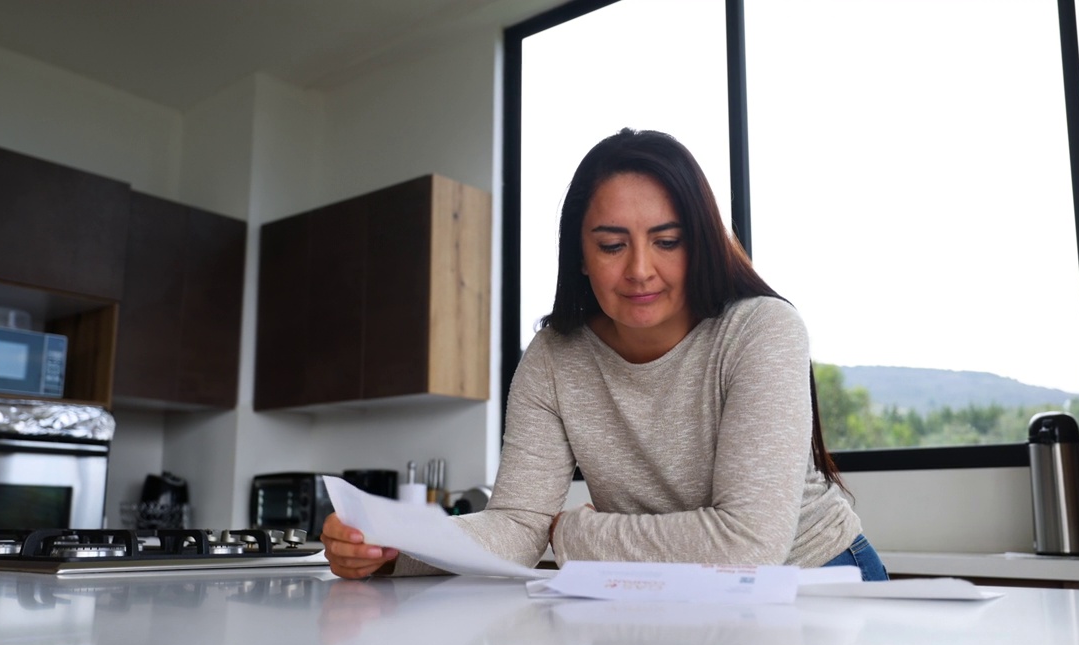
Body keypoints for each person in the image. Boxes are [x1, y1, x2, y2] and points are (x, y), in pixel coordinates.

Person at [322, 128, 887, 582]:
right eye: (613, 245)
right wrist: (396, 547)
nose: (640, 268)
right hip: (663, 589)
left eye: (667, 241)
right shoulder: (553, 356)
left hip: (815, 578)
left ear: (701, 244)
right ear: (581, 256)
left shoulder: (761, 329)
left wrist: (573, 535)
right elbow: (518, 527)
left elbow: (749, 543)